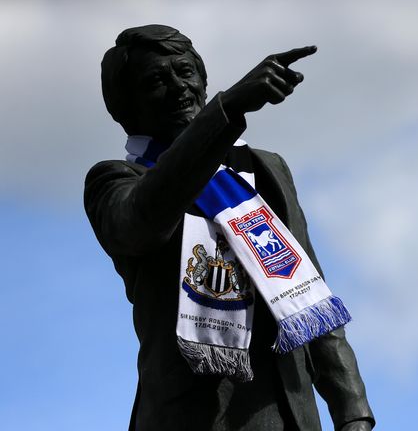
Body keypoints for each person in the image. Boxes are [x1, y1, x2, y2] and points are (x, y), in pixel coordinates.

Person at [84, 24, 374, 431]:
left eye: (185, 72)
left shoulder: (264, 169)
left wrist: (352, 410)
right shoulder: (117, 181)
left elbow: (308, 291)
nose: (178, 87)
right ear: (127, 107)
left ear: (202, 77)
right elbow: (141, 226)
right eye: (155, 81)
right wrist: (227, 110)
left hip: (290, 416)